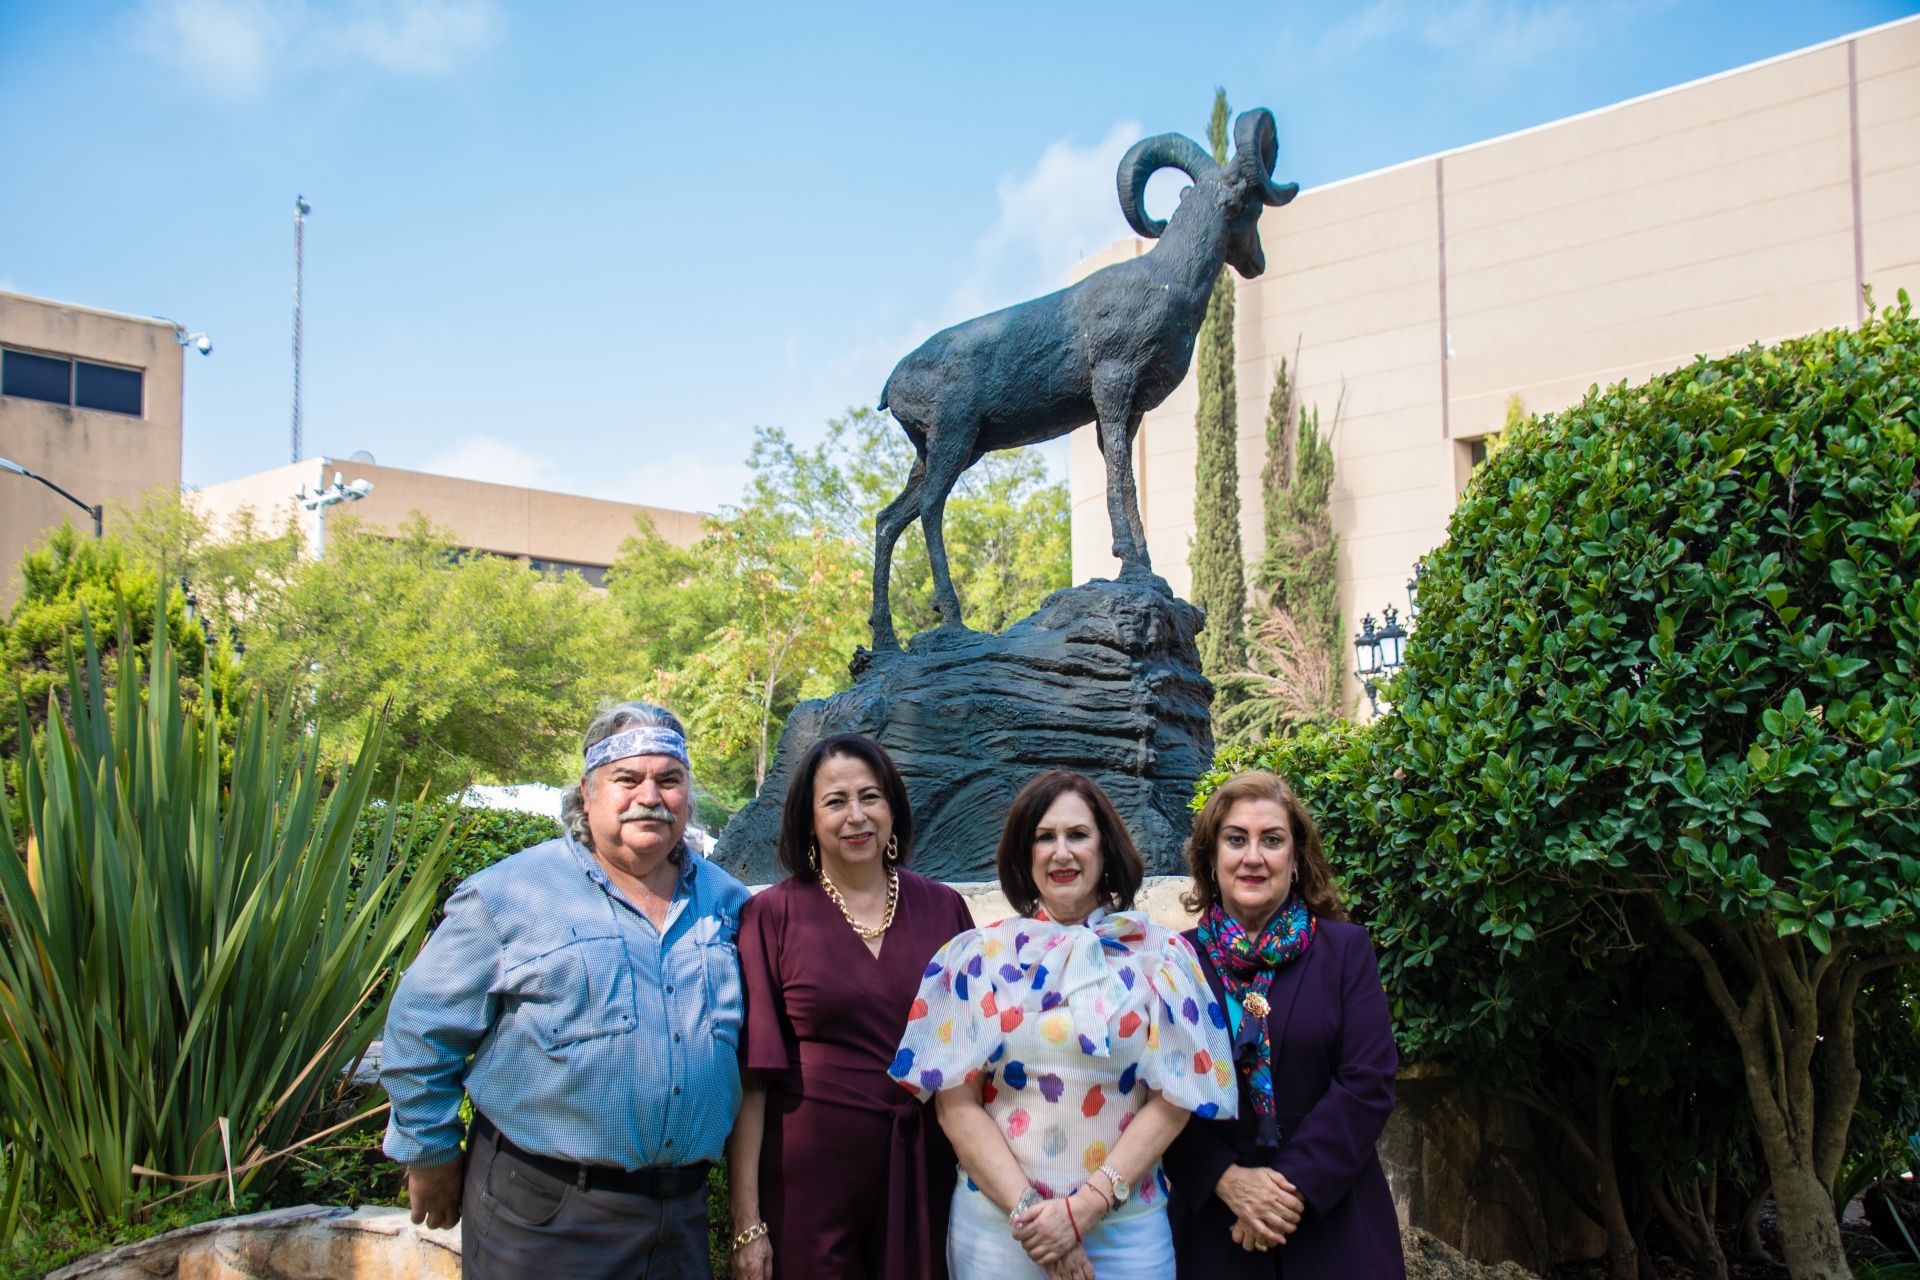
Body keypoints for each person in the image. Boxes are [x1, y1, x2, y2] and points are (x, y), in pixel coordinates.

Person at [380, 702, 750, 1279]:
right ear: (587, 791)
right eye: (627, 779)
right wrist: (429, 1154)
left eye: (669, 780)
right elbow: (422, 1026)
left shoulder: (729, 905)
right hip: (544, 1213)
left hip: (680, 1216)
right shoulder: (507, 897)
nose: (649, 796)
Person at [891, 769, 1238, 1280]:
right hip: (1001, 1232)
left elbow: (1175, 1098)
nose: (1061, 852)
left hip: (1127, 1232)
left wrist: (1084, 1210)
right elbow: (956, 1106)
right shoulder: (976, 958)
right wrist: (1034, 1218)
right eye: (1044, 837)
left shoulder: (1161, 956)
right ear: (1023, 853)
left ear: (1105, 848)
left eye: (1077, 835)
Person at [727, 733, 975, 1279]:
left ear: (893, 807)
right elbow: (753, 1082)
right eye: (835, 801)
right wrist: (747, 1222)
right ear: (808, 819)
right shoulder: (771, 917)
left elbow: (973, 1061)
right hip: (809, 1182)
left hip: (924, 1166)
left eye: (871, 797)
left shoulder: (944, 909)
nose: (856, 816)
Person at [1162, 771, 1404, 1279]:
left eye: (1272, 840)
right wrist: (1225, 1179)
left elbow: (1368, 1082)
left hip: (1333, 1223)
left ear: (1295, 860)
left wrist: (1284, 1192)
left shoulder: (1345, 951)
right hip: (1214, 1231)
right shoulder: (1173, 961)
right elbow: (1154, 1089)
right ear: (1211, 857)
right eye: (1235, 840)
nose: (1253, 856)